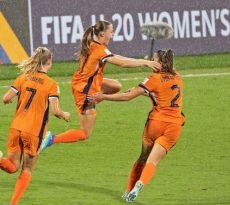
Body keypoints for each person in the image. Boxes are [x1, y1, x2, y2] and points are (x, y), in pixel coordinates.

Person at [40, 20, 161, 151]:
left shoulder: (92, 44)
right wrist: (145, 62)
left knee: (116, 86)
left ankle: (96, 98)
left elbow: (116, 56)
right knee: (85, 133)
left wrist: (142, 61)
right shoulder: (99, 50)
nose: (113, 34)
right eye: (111, 31)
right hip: (85, 90)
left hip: (83, 82)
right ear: (102, 34)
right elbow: (121, 63)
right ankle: (52, 139)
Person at [90, 49, 185, 203]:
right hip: (174, 126)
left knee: (143, 158)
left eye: (153, 59)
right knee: (153, 162)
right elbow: (163, 93)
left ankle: (128, 190)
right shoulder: (178, 78)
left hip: (156, 123)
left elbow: (128, 96)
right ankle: (139, 186)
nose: (150, 61)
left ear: (159, 63)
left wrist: (104, 96)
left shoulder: (153, 79)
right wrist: (146, 92)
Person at [0, 47, 70, 205]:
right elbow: (55, 111)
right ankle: (13, 204)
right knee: (27, 168)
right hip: (33, 131)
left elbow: (6, 98)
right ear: (49, 62)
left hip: (16, 127)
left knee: (12, 165)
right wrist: (65, 114)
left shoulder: (23, 77)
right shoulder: (52, 84)